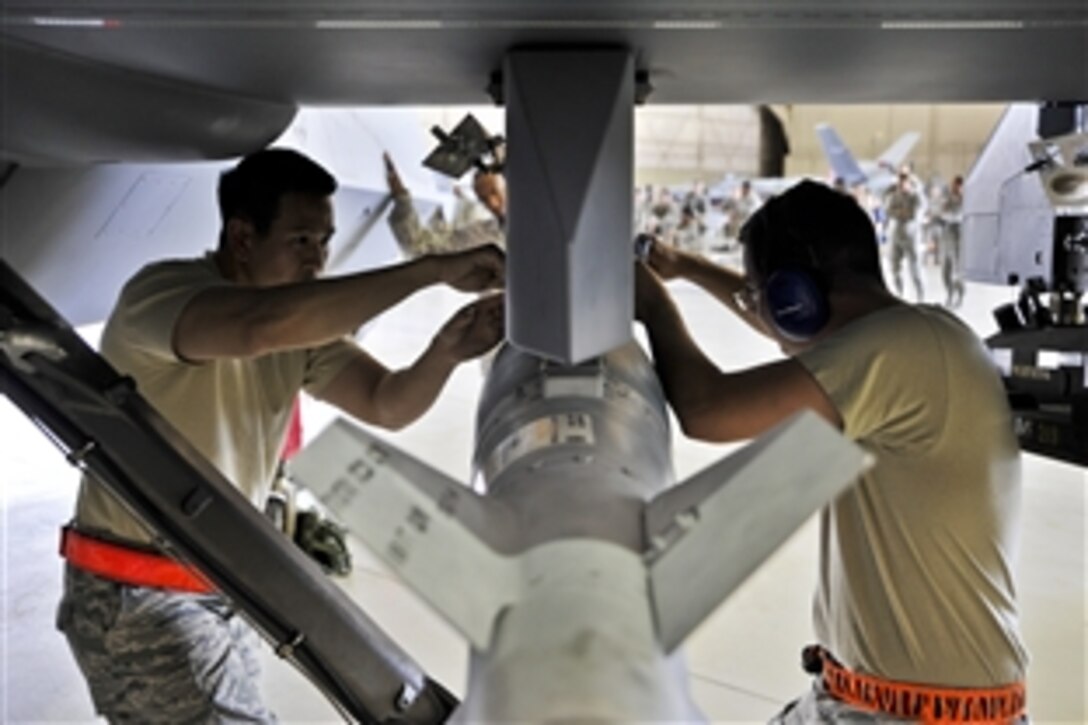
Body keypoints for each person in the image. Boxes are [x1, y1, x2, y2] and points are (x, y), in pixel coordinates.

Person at [56, 148, 506, 723]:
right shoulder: (163, 294)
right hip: (141, 596)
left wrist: (445, 352)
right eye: (301, 242)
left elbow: (385, 402)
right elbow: (258, 327)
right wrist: (430, 270)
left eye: (324, 241)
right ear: (242, 238)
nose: (319, 259)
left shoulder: (296, 332)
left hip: (225, 587)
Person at [635, 180, 1028, 723]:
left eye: (762, 296)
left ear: (796, 297)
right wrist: (690, 267)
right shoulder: (915, 339)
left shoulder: (898, 350)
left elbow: (708, 409)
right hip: (864, 699)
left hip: (924, 716)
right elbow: (790, 329)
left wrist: (653, 303)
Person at [385, 152, 506, 258]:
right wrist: (402, 200)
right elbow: (420, 249)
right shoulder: (484, 237)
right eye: (483, 200)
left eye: (494, 192)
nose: (492, 204)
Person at [885, 170, 927, 301]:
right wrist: (902, 213)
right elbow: (888, 211)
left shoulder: (916, 197)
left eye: (905, 182)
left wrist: (902, 213)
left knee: (915, 269)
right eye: (900, 182)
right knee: (894, 268)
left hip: (911, 236)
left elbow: (915, 213)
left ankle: (920, 296)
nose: (902, 185)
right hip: (896, 235)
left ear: (909, 183)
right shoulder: (894, 196)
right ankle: (899, 295)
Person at [936, 175, 966, 308]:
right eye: (954, 185)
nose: (955, 188)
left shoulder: (966, 201)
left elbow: (957, 216)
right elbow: (941, 212)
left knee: (957, 272)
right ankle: (949, 294)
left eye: (958, 185)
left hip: (959, 238)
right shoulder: (948, 198)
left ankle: (959, 296)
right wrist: (945, 214)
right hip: (946, 237)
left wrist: (946, 215)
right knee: (945, 272)